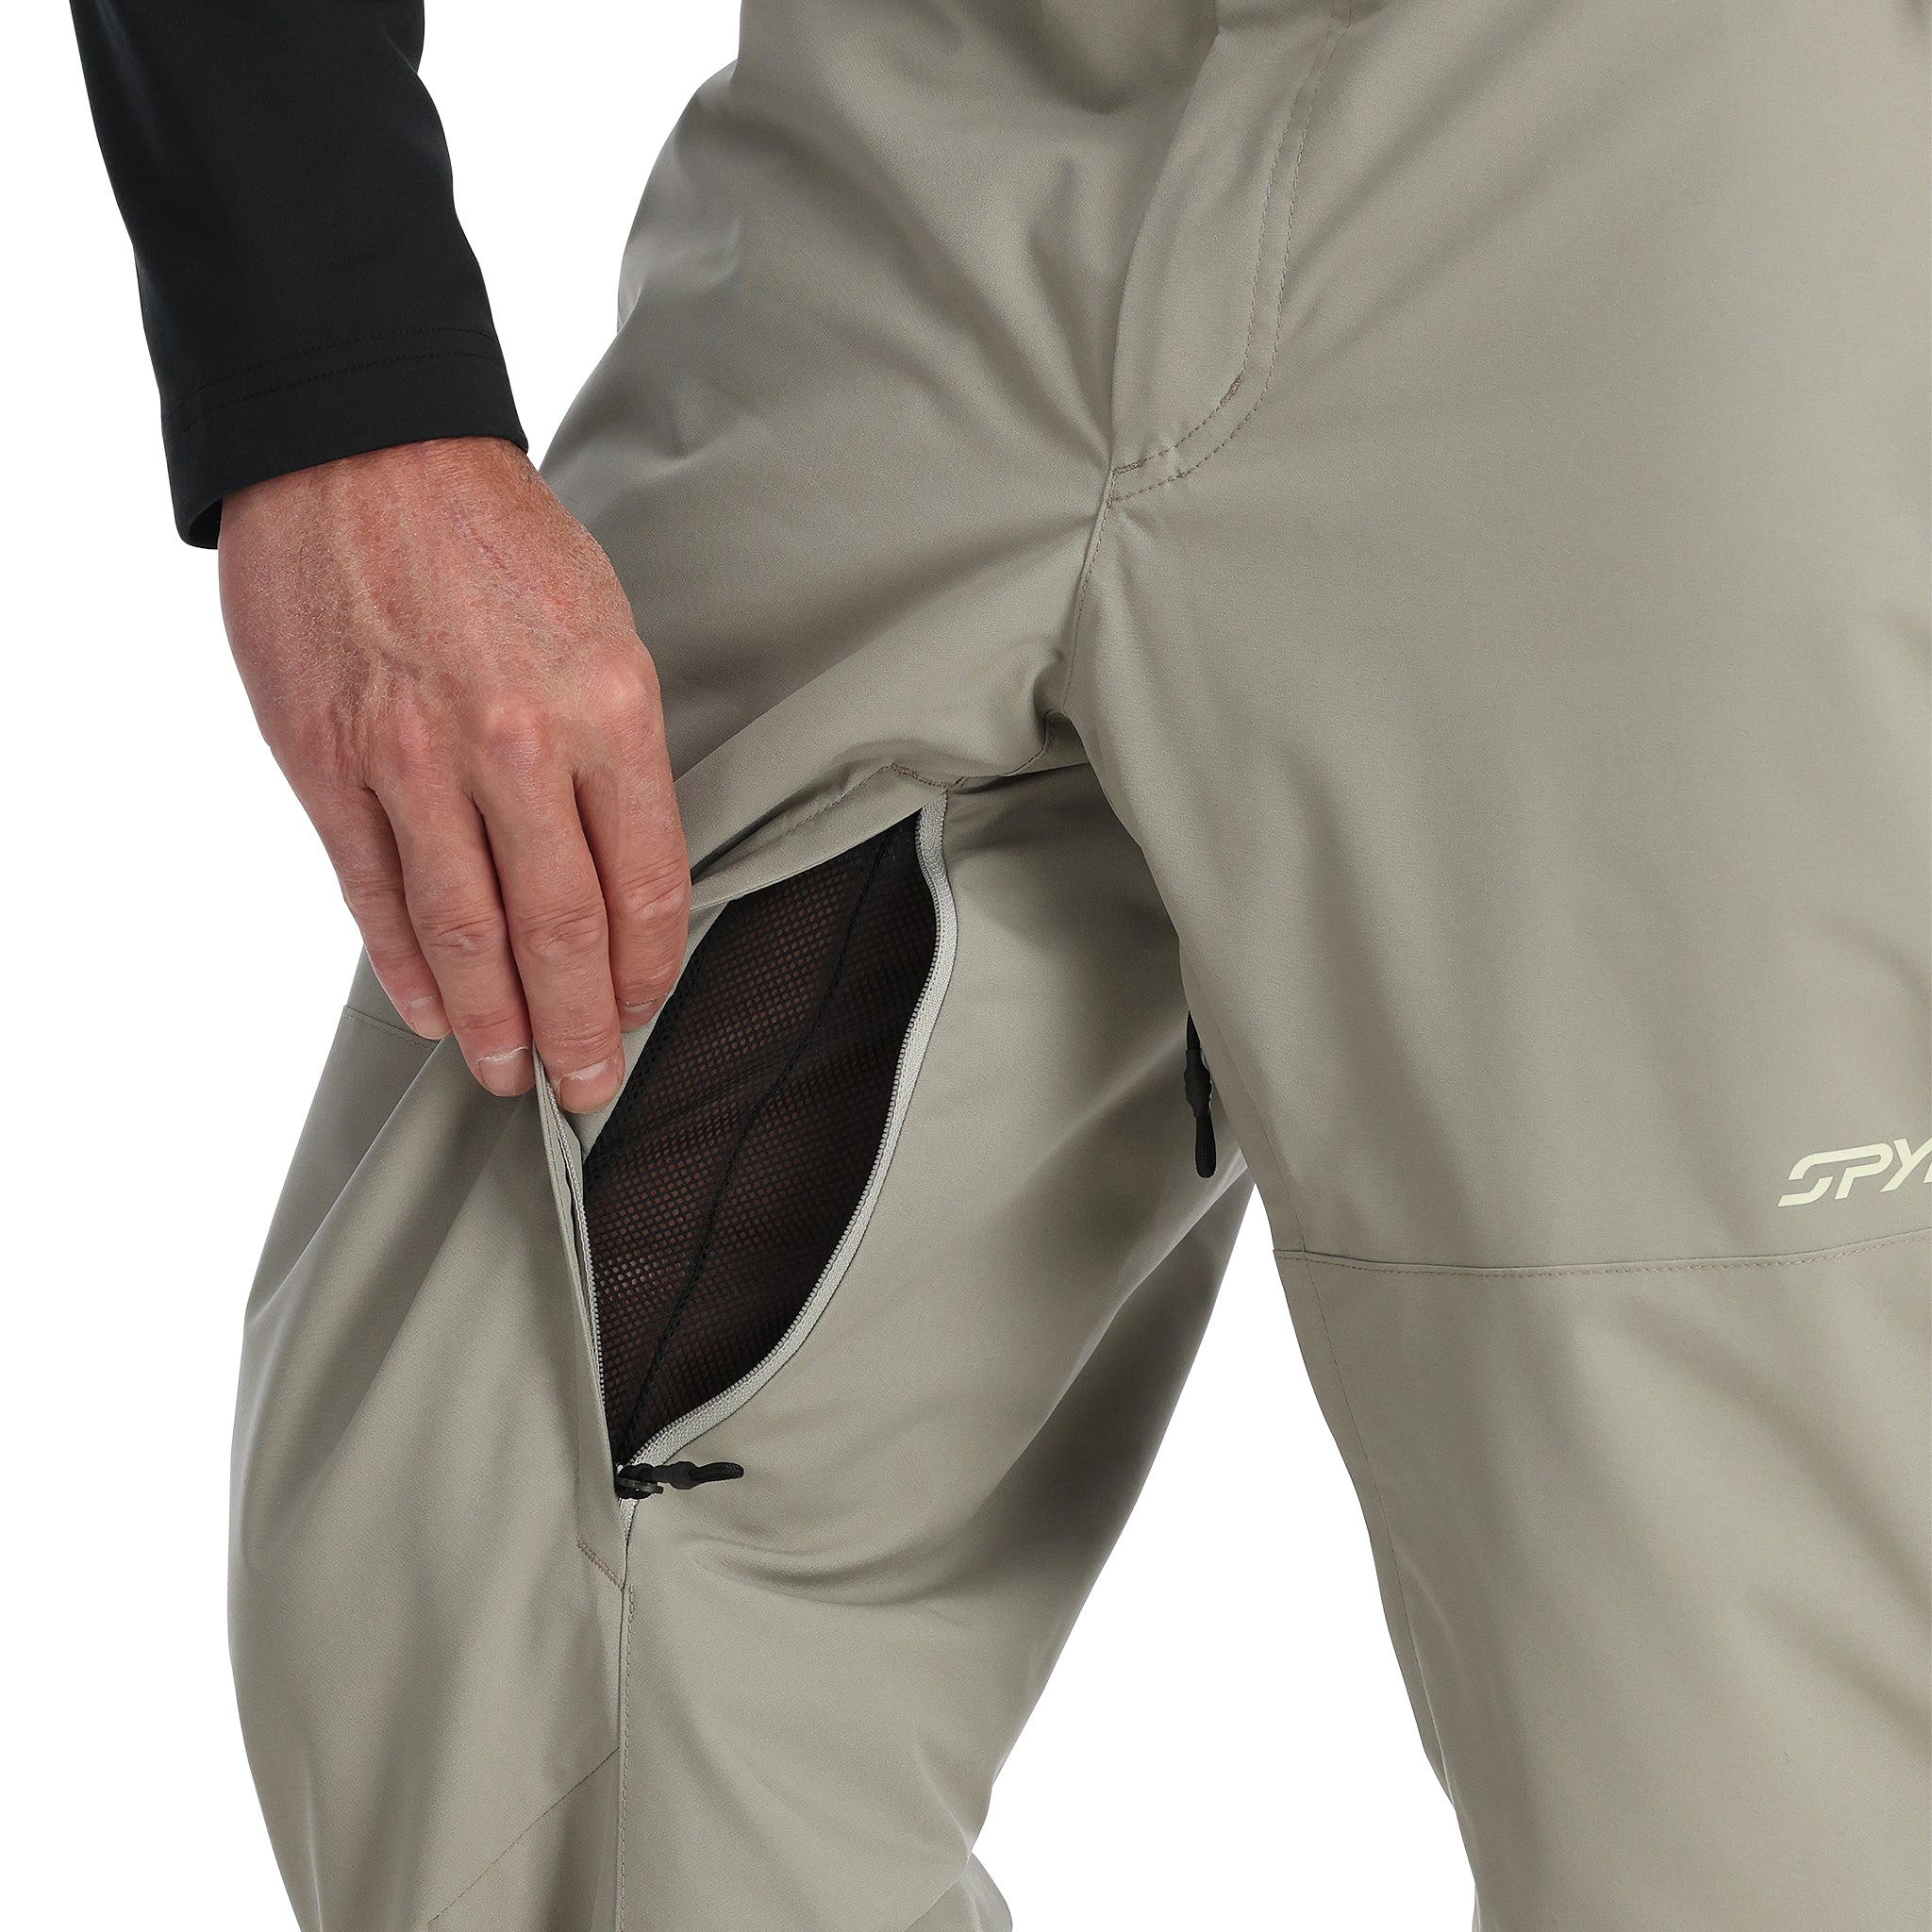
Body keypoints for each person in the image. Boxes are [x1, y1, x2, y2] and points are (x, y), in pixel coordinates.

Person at [71, 3, 1930, 1929]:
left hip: (1673, 165)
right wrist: (332, 379)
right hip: (915, 151)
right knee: (512, 1573)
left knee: (1739, 1738)